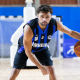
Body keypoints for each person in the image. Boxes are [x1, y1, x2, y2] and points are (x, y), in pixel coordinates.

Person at [8, 5, 80, 80]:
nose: (44, 19)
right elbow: (28, 51)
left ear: (51, 16)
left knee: (51, 69)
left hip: (41, 47)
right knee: (15, 71)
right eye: (42, 16)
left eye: (47, 17)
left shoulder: (55, 24)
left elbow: (71, 32)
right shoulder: (29, 28)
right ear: (37, 16)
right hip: (25, 48)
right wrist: (41, 67)